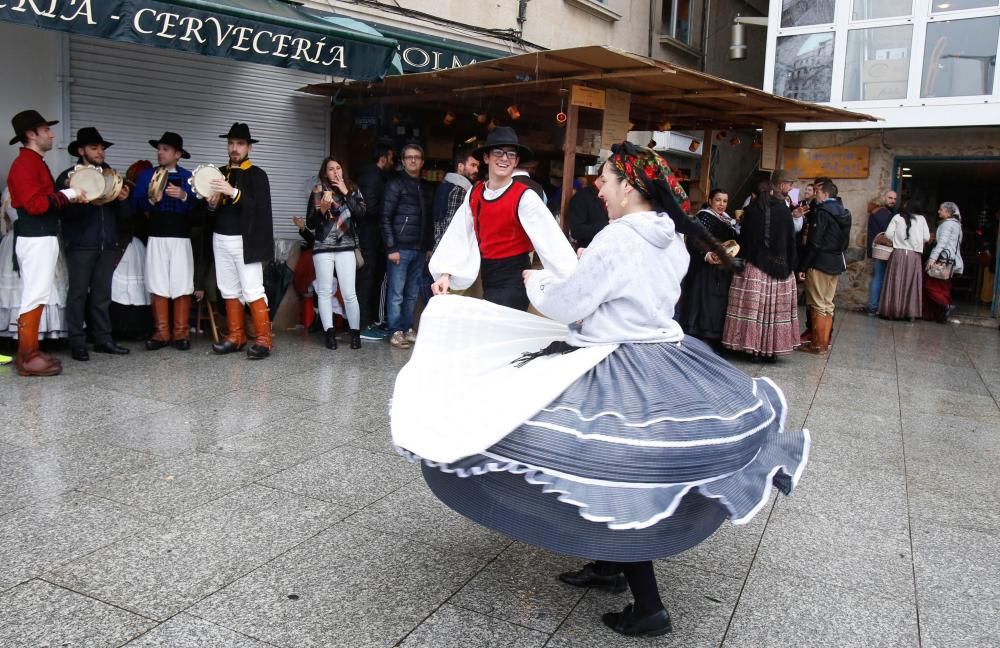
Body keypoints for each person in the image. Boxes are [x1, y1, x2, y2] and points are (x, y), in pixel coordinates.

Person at [391, 141, 808, 638]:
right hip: (663, 356)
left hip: (615, 360)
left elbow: (570, 304)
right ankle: (608, 565)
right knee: (615, 470)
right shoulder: (671, 235)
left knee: (602, 468)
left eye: (606, 180)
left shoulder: (618, 239)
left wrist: (538, 282)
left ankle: (649, 606)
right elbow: (633, 288)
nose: (599, 188)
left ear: (628, 186)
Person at [430, 127, 576, 311]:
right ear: (486, 158)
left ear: (516, 162)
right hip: (487, 276)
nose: (504, 158)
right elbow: (459, 234)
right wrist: (446, 273)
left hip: (514, 280)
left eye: (511, 154)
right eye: (498, 152)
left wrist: (575, 289)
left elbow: (551, 241)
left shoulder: (524, 196)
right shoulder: (475, 193)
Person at [6, 110, 82, 376]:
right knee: (34, 295)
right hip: (36, 237)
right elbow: (36, 205)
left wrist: (64, 194)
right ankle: (27, 357)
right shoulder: (26, 164)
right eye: (45, 130)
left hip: (40, 236)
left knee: (37, 294)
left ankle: (31, 352)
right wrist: (69, 194)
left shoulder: (32, 161)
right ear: (31, 134)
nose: (51, 134)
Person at [56, 127, 131, 362]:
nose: (100, 152)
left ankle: (103, 339)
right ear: (81, 151)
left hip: (106, 244)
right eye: (94, 148)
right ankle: (77, 342)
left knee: (102, 295)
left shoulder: (111, 176)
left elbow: (126, 216)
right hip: (80, 244)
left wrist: (123, 200)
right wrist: (86, 202)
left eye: (101, 148)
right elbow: (62, 213)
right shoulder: (67, 177)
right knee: (77, 294)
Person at [206, 122, 274, 359]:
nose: (234, 148)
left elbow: (258, 209)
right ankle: (236, 336)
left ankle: (264, 340)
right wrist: (212, 204)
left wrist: (232, 192)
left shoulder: (257, 175)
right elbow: (210, 212)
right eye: (231, 143)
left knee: (253, 289)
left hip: (246, 241)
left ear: (249, 148)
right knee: (228, 288)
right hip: (221, 237)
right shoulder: (220, 173)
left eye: (240, 144)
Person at [131, 132, 196, 350]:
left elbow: (199, 210)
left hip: (181, 237)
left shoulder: (189, 178)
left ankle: (181, 333)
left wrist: (184, 196)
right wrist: (152, 200)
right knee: (157, 282)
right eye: (159, 149)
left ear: (177, 154)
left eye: (165, 149)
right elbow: (136, 204)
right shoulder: (146, 175)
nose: (160, 153)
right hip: (157, 234)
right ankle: (161, 332)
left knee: (182, 283)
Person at [722, 180, 800, 360]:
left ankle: (752, 350)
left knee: (753, 311)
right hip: (779, 269)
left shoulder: (751, 211)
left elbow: (745, 241)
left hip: (754, 267)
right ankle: (772, 351)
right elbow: (790, 240)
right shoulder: (784, 210)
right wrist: (792, 265)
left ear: (755, 195)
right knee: (773, 313)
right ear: (773, 192)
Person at [304, 156, 366, 350]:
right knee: (324, 292)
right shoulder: (317, 191)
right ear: (325, 172)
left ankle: (355, 334)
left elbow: (362, 215)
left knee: (349, 293)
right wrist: (321, 209)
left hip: (346, 246)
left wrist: (347, 192)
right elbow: (310, 224)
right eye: (331, 169)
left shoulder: (353, 189)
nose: (335, 172)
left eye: (338, 168)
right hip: (323, 247)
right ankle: (329, 333)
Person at [381, 143, 433, 350]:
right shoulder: (395, 184)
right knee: (396, 293)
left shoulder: (424, 186)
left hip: (419, 248)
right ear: (402, 162)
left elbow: (427, 219)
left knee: (412, 293)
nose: (413, 160)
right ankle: (395, 331)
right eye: (409, 157)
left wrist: (428, 246)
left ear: (422, 162)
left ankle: (407, 328)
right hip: (399, 248)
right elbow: (384, 217)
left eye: (417, 157)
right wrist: (391, 247)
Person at [677, 187, 739, 348]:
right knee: (705, 303)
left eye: (725, 201)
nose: (722, 204)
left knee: (716, 303)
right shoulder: (704, 217)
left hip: (721, 268)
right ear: (710, 201)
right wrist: (706, 254)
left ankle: (713, 339)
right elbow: (695, 239)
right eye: (718, 200)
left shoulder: (727, 219)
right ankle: (702, 340)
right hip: (705, 269)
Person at [797, 180, 851, 355]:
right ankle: (824, 343)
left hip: (819, 262)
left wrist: (803, 266)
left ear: (826, 194)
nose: (815, 195)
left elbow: (814, 242)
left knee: (818, 305)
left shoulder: (821, 212)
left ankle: (818, 344)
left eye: (818, 192)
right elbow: (845, 243)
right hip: (835, 262)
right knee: (828, 304)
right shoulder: (844, 212)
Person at [356, 143, 394, 341]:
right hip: (368, 238)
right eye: (392, 157)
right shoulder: (374, 177)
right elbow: (368, 209)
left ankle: (368, 323)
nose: (393, 162)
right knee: (366, 281)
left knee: (368, 281)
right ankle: (363, 326)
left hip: (369, 237)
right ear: (384, 156)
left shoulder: (370, 175)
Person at [877, 201, 929, 321]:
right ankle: (910, 314)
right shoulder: (921, 219)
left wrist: (898, 239)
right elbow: (926, 237)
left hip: (898, 253)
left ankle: (891, 312)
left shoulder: (897, 217)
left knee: (895, 281)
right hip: (914, 254)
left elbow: (889, 234)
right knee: (911, 283)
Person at [923, 201, 964, 323]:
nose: (939, 211)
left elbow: (942, 243)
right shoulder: (957, 225)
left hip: (942, 260)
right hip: (951, 261)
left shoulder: (947, 225)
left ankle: (945, 306)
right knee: (943, 287)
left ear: (948, 212)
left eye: (941, 209)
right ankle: (941, 313)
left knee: (930, 285)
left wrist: (932, 259)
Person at [432, 148, 478, 248]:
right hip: (449, 248)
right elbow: (453, 225)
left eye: (477, 166)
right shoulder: (460, 189)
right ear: (460, 166)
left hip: (440, 245)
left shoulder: (446, 183)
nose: (476, 170)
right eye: (473, 165)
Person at [866, 190, 897, 315]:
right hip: (883, 249)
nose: (893, 201)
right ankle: (874, 307)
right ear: (883, 198)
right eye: (890, 198)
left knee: (878, 277)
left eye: (894, 199)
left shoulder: (878, 211)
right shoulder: (883, 213)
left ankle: (874, 307)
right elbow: (888, 233)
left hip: (878, 249)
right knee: (879, 278)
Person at [567, 174, 608, 248]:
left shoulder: (611, 196)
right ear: (602, 178)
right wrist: (607, 226)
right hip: (588, 251)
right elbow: (576, 231)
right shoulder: (580, 197)